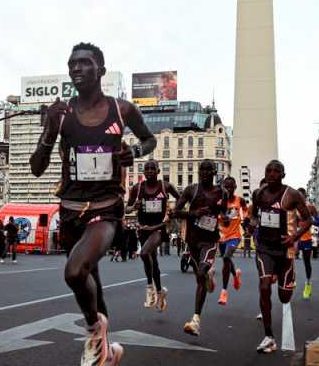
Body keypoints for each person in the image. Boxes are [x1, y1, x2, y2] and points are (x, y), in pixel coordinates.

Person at [30, 42, 156, 366]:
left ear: (100, 69)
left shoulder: (123, 109)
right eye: (72, 64)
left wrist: (135, 153)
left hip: (106, 207)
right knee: (93, 284)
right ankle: (108, 351)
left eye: (84, 63)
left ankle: (92, 330)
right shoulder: (61, 113)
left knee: (75, 272)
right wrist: (48, 131)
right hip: (70, 208)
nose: (76, 69)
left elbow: (149, 139)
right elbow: (36, 167)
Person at [246, 160, 311, 354]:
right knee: (264, 287)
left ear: (283, 174)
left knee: (284, 298)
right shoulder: (258, 194)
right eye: (269, 170)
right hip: (264, 249)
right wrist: (251, 223)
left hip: (285, 251)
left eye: (276, 171)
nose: (272, 174)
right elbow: (253, 215)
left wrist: (294, 237)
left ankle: (287, 278)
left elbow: (308, 219)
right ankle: (269, 337)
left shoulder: (292, 194)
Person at [171, 160, 227, 336]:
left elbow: (223, 214)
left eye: (208, 170)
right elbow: (175, 212)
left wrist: (225, 219)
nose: (204, 173)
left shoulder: (222, 192)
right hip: (193, 240)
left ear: (214, 172)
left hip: (210, 240)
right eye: (201, 169)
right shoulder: (191, 190)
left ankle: (196, 319)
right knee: (199, 277)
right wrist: (193, 214)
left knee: (201, 272)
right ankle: (207, 276)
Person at [126, 160, 178, 311]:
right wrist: (132, 206)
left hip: (160, 227)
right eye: (146, 169)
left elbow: (180, 198)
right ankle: (161, 291)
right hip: (143, 228)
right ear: (143, 172)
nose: (149, 171)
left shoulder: (165, 186)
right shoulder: (137, 188)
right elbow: (127, 209)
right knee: (153, 262)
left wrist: (173, 211)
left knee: (144, 253)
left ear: (158, 171)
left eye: (152, 168)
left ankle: (150, 288)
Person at [217, 176, 246, 306]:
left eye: (230, 187)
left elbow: (245, 209)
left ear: (235, 188)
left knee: (226, 257)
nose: (228, 189)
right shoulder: (218, 202)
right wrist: (222, 217)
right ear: (222, 188)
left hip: (235, 235)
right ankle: (235, 276)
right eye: (225, 187)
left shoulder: (240, 200)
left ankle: (224, 292)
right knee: (227, 259)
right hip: (222, 236)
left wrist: (244, 219)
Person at [294, 189, 316, 300]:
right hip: (297, 238)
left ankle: (308, 284)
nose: (300, 198)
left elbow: (318, 221)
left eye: (302, 196)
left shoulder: (310, 207)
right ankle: (292, 279)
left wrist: (311, 219)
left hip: (307, 239)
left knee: (306, 262)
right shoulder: (294, 208)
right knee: (290, 258)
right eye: (298, 196)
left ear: (305, 196)